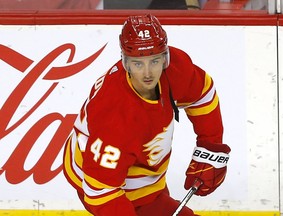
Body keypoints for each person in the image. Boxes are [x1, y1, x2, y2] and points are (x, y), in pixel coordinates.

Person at [63, 14, 231, 216]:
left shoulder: (175, 69)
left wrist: (210, 145)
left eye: (154, 61)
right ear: (125, 63)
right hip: (96, 176)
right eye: (138, 64)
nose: (148, 73)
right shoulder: (115, 117)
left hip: (141, 169)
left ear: (165, 58)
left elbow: (203, 94)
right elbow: (100, 192)